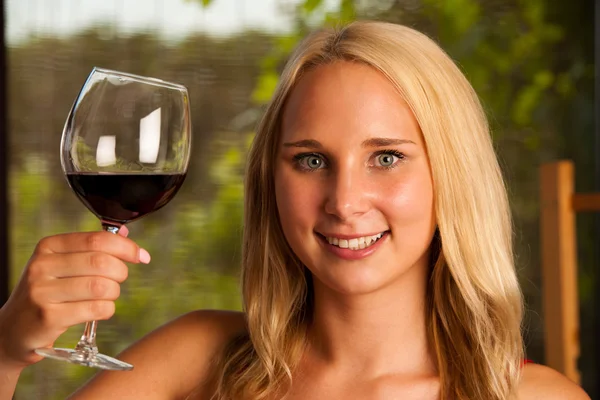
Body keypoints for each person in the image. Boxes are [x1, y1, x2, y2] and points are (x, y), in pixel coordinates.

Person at [0, 20, 591, 400]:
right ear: (270, 182)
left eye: (386, 158)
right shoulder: (195, 356)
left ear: (451, 177)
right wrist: (6, 350)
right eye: (311, 160)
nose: (345, 201)